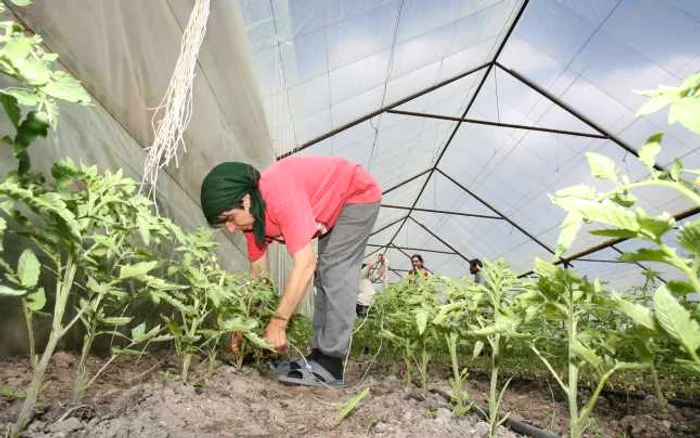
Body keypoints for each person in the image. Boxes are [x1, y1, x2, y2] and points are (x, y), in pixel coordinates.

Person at [200, 156, 381, 387]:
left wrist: (278, 323)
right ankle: (317, 358)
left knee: (336, 269)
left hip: (356, 193)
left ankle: (330, 364)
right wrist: (244, 325)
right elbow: (259, 277)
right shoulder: (252, 223)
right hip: (332, 204)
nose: (230, 227)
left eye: (229, 218)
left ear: (245, 201)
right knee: (325, 275)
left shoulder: (278, 193)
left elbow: (305, 263)